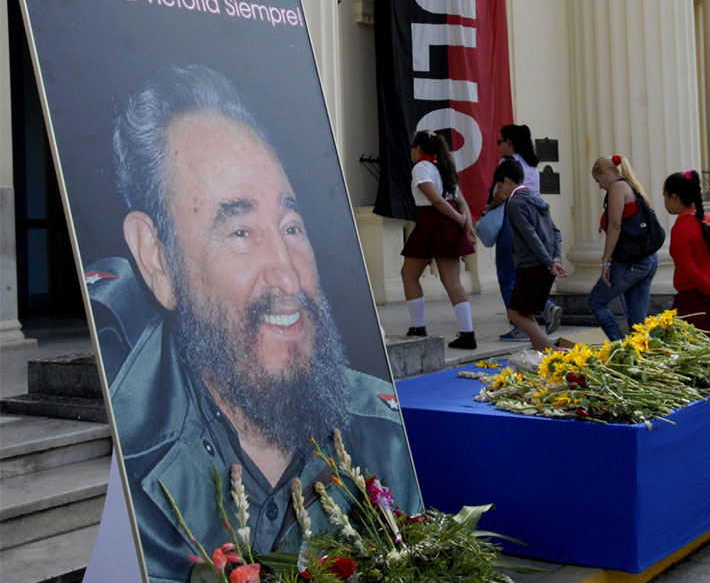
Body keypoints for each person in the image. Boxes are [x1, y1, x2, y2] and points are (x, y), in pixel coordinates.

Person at [94, 65, 420, 582]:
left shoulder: (386, 437)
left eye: (291, 227)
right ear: (158, 260)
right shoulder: (139, 457)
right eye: (241, 231)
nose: (288, 276)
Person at [400, 130, 478, 350]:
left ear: (419, 148)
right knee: (452, 281)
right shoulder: (444, 168)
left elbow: (435, 200)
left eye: (412, 147)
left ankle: (418, 326)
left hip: (432, 223)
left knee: (409, 274)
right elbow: (461, 202)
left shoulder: (421, 168)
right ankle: (467, 332)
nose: (411, 152)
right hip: (447, 224)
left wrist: (462, 222)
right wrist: (466, 224)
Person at [494, 124, 561, 339]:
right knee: (525, 273)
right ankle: (544, 306)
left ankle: (519, 324)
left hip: (512, 219)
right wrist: (553, 258)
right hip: (537, 218)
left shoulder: (508, 165)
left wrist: (489, 207)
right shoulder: (532, 165)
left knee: (508, 275)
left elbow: (500, 196)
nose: (498, 147)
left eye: (500, 142)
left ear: (509, 142)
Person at [587, 154, 659, 341]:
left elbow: (615, 226)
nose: (600, 186)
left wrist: (606, 262)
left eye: (598, 180)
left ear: (604, 173)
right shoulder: (631, 186)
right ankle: (638, 355)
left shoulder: (617, 187)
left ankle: (620, 345)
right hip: (647, 259)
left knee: (596, 301)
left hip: (631, 261)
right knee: (637, 323)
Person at [662, 169, 710, 334]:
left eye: (665, 195)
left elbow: (690, 271)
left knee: (683, 349)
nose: (664, 201)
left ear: (674, 197)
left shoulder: (681, 228)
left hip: (696, 296)